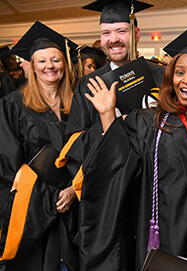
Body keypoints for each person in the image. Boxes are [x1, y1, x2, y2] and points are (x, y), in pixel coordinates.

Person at [77, 24, 187, 271]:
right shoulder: (149, 120)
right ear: (171, 77)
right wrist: (107, 115)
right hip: (164, 230)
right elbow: (120, 164)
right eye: (180, 72)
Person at [57, 0, 165, 199]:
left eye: (121, 31)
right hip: (109, 184)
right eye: (106, 33)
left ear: (136, 34)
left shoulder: (162, 76)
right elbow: (76, 139)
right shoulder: (89, 83)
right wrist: (109, 123)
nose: (113, 39)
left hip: (154, 181)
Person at [0, 21, 79, 271]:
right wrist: (50, 197)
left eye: (55, 60)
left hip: (75, 204)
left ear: (64, 65)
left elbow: (93, 153)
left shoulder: (79, 104)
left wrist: (73, 190)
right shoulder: (12, 105)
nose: (49, 67)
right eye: (42, 61)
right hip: (33, 208)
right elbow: (8, 165)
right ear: (32, 66)